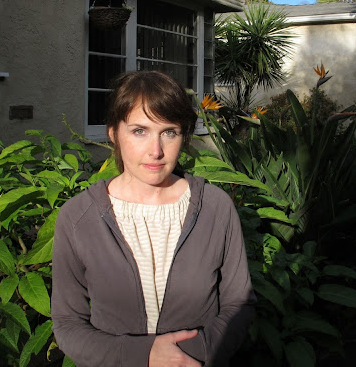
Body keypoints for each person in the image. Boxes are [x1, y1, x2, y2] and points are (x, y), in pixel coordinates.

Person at [52, 71, 256, 367]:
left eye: (169, 132)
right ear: (113, 134)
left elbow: (239, 303)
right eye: (139, 131)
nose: (156, 151)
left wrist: (190, 356)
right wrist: (143, 355)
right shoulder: (78, 217)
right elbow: (68, 323)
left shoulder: (216, 209)